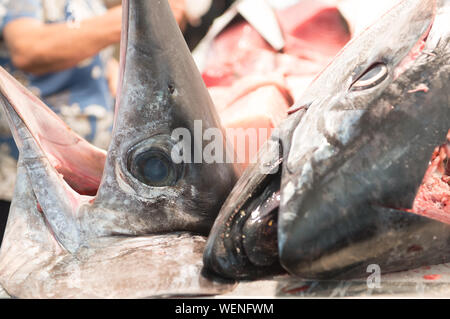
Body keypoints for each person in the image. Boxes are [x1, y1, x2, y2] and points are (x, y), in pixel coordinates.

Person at [0, 0, 187, 245]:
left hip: (80, 185)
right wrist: (140, 13)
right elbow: (28, 48)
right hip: (28, 187)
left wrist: (107, 69)